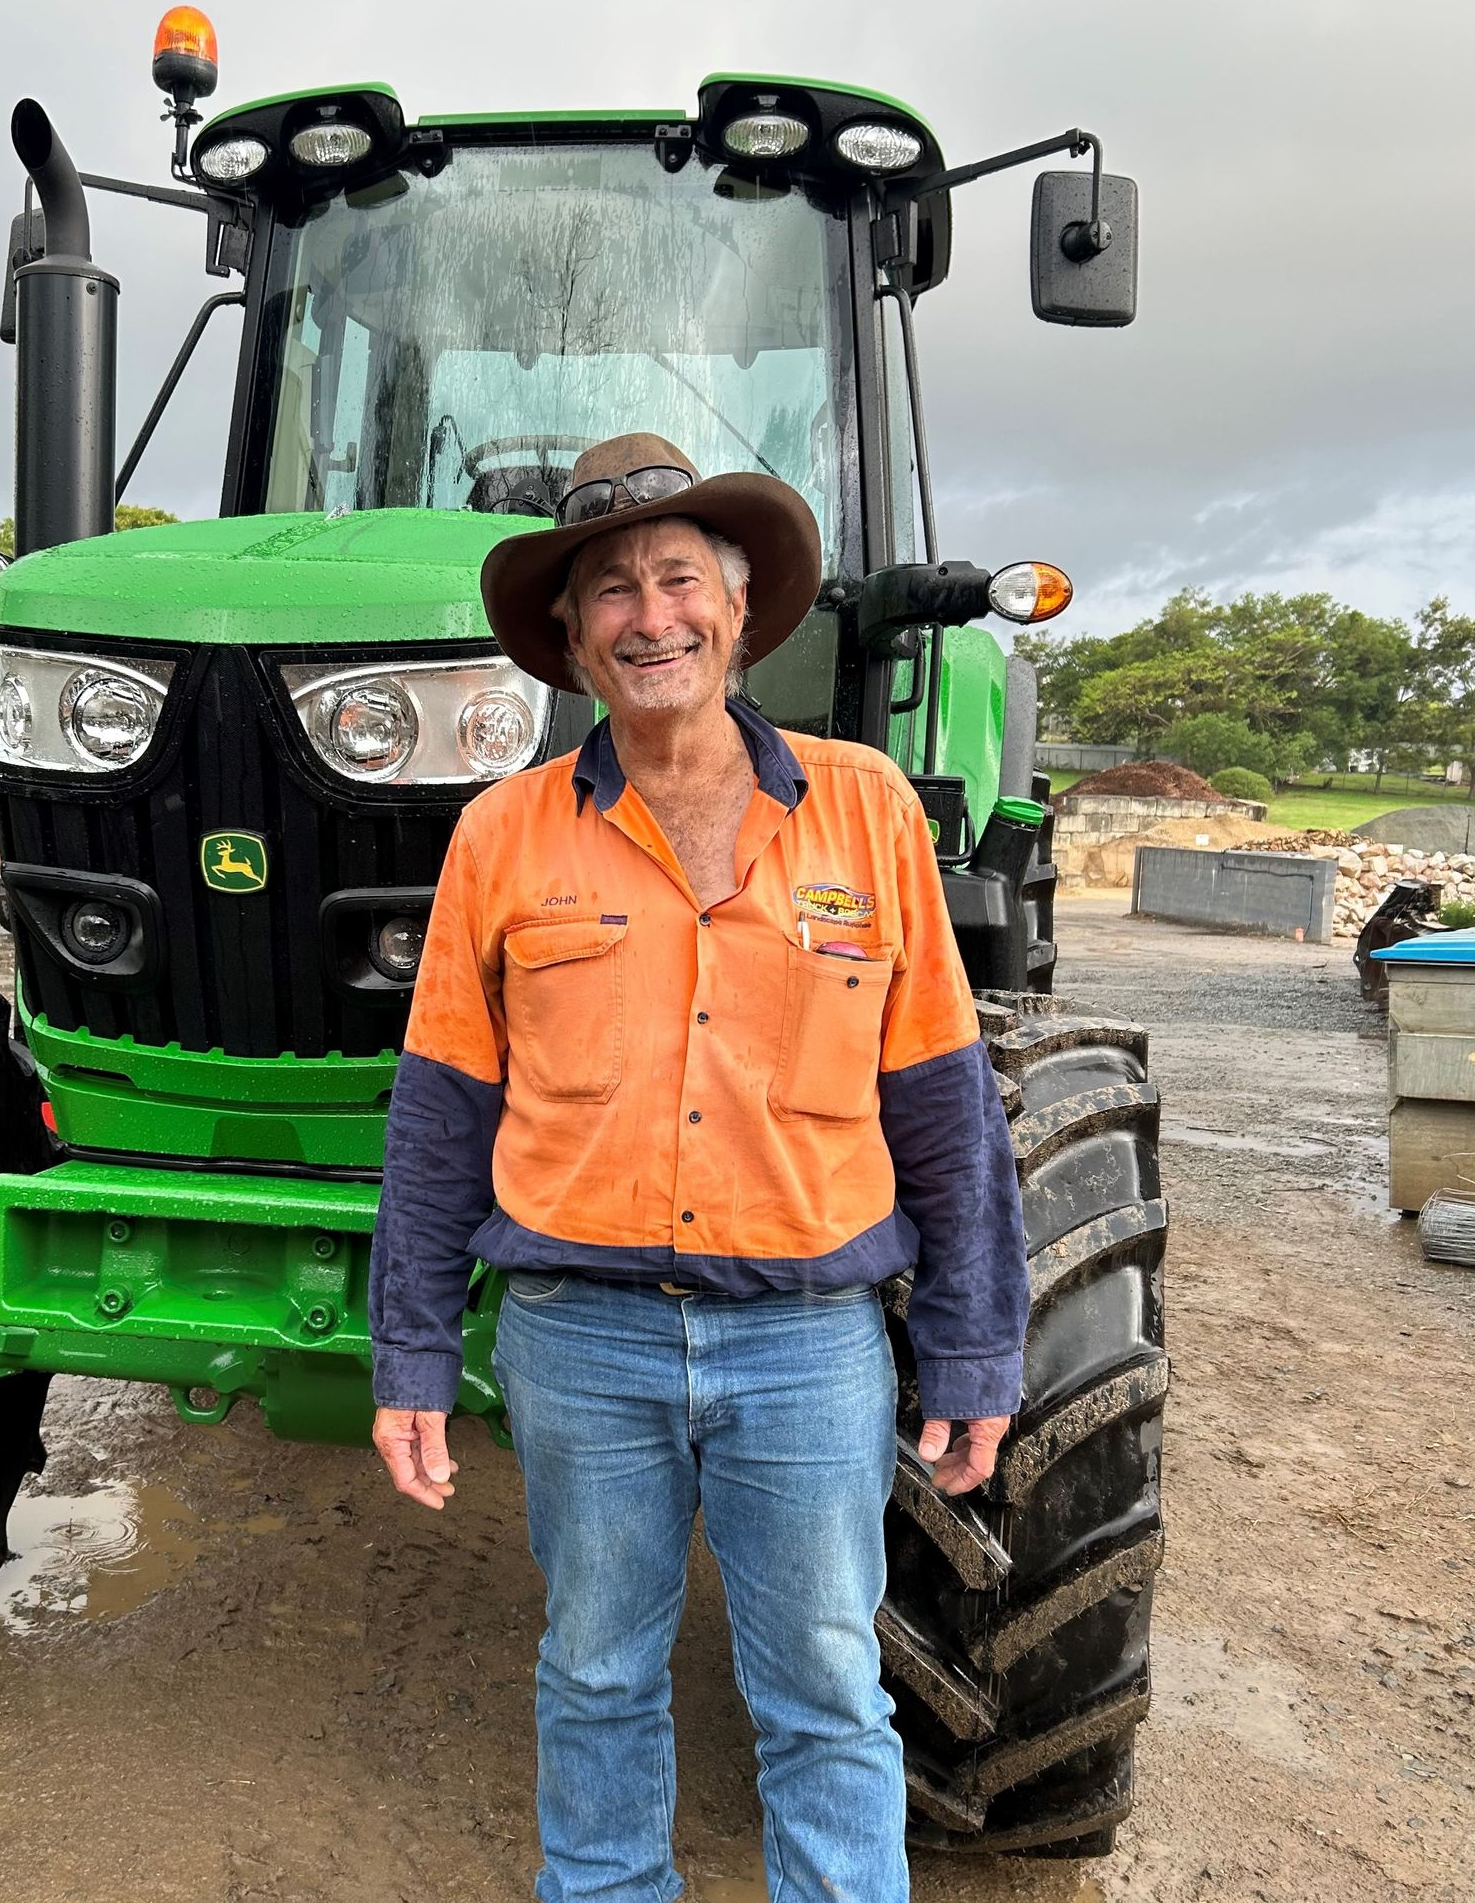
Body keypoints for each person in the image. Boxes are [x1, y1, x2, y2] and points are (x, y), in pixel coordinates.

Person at [368, 432, 1027, 1903]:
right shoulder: (502, 833)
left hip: (807, 1344)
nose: (648, 614)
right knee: (596, 1670)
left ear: (737, 611)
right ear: (572, 639)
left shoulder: (867, 810)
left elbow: (942, 1102)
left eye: (678, 578)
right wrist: (409, 1352)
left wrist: (979, 1347)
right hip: (577, 1336)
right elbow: (437, 1118)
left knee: (825, 1692)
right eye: (610, 590)